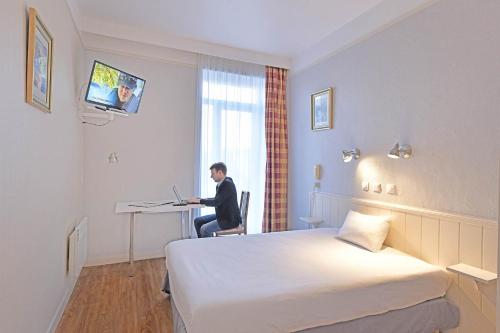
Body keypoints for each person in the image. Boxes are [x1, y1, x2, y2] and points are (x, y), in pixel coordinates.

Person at [189, 162, 241, 238]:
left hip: (229, 220)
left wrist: (199, 201)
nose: (211, 176)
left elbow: (216, 202)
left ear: (220, 172)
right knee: (197, 221)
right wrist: (200, 199)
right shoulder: (222, 183)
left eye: (213, 174)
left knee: (204, 229)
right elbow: (218, 199)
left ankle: (209, 247)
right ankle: (202, 243)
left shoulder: (227, 185)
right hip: (222, 215)